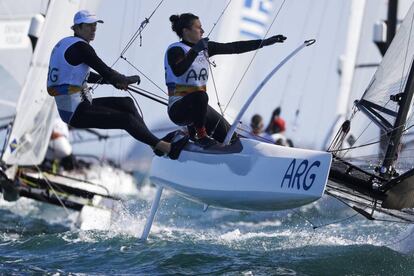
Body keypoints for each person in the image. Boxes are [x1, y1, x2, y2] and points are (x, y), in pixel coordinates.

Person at [47, 10, 187, 160]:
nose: (94, 29)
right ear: (77, 28)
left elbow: (88, 76)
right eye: (89, 25)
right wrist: (121, 80)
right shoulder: (81, 48)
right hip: (75, 112)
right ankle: (166, 148)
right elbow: (105, 70)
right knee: (125, 119)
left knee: (127, 103)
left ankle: (154, 144)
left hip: (82, 105)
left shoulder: (66, 44)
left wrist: (117, 80)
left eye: (95, 25)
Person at [165, 13, 286, 147]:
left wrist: (263, 42)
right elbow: (179, 70)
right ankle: (200, 135)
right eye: (198, 27)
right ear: (186, 31)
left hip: (199, 108)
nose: (203, 31)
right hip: (178, 109)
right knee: (201, 96)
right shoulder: (175, 49)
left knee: (230, 138)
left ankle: (187, 134)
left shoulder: (205, 48)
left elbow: (234, 47)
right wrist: (195, 50)